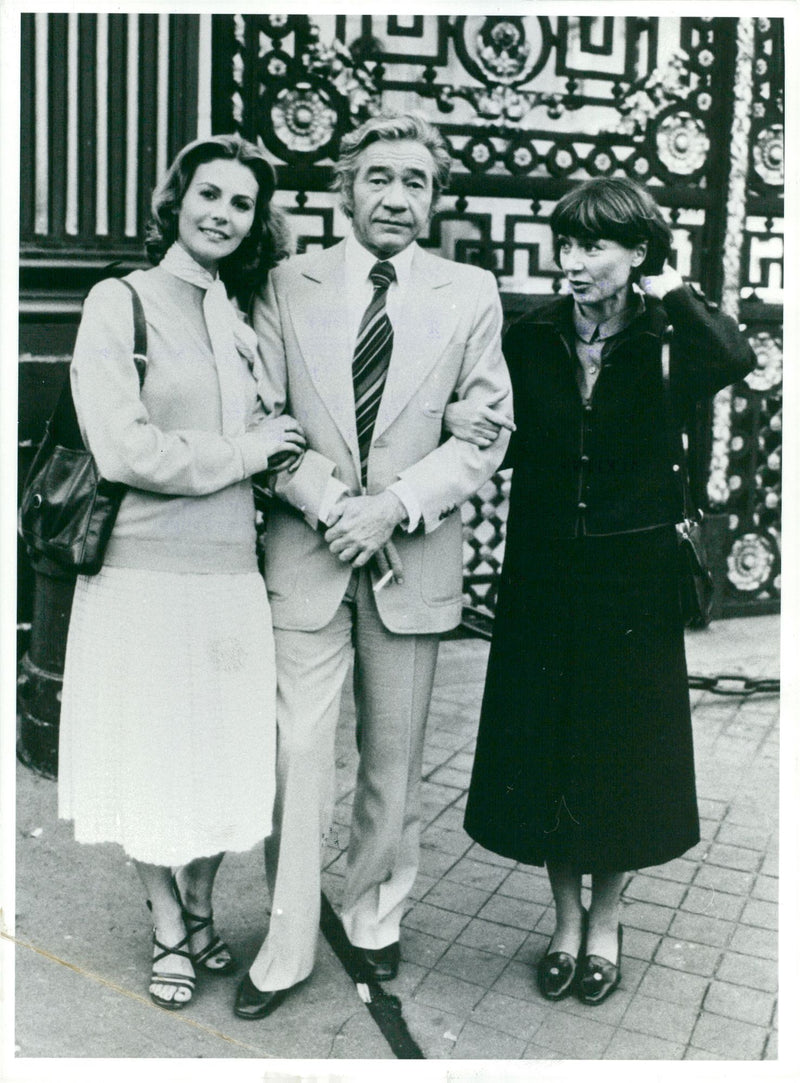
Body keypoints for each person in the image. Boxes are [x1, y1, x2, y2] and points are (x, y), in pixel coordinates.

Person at [234, 112, 514, 1019]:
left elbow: (489, 429)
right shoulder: (286, 282)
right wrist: (333, 506)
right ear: (345, 188)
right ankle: (284, 944)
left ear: (434, 201)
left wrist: (392, 506)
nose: (397, 197)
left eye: (417, 183)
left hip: (413, 556)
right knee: (298, 757)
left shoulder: (470, 292)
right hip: (307, 556)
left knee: (393, 760)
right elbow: (264, 417)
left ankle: (374, 915)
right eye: (381, 178)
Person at [461, 176, 755, 1005]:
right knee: (551, 742)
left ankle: (609, 917)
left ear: (637, 254)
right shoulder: (535, 334)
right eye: (568, 243)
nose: (575, 261)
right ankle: (563, 917)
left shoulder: (671, 337)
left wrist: (672, 290)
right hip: (545, 570)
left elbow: (737, 357)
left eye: (595, 245)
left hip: (634, 579)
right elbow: (497, 432)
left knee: (619, 750)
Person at [58, 134, 306, 1010]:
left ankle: (202, 906)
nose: (223, 214)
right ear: (178, 199)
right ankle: (167, 922)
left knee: (219, 761)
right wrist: (243, 449)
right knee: (154, 758)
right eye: (210, 194)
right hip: (143, 575)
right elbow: (123, 449)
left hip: (232, 576)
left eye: (242, 204)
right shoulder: (116, 301)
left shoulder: (236, 315)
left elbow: (278, 435)